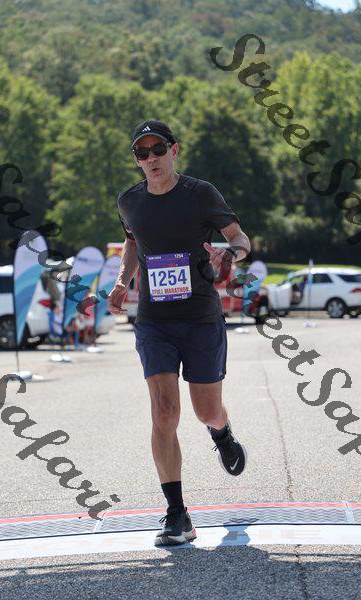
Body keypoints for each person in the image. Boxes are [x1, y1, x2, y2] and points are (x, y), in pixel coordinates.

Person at [108, 120, 251, 547]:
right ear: (137, 159)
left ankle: (221, 432)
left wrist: (230, 254)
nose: (151, 158)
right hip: (155, 321)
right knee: (164, 412)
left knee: (206, 411)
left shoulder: (200, 194)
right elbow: (132, 242)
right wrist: (122, 281)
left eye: (158, 149)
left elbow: (239, 237)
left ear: (174, 150)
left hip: (201, 317)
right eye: (142, 152)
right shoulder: (129, 201)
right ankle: (177, 514)